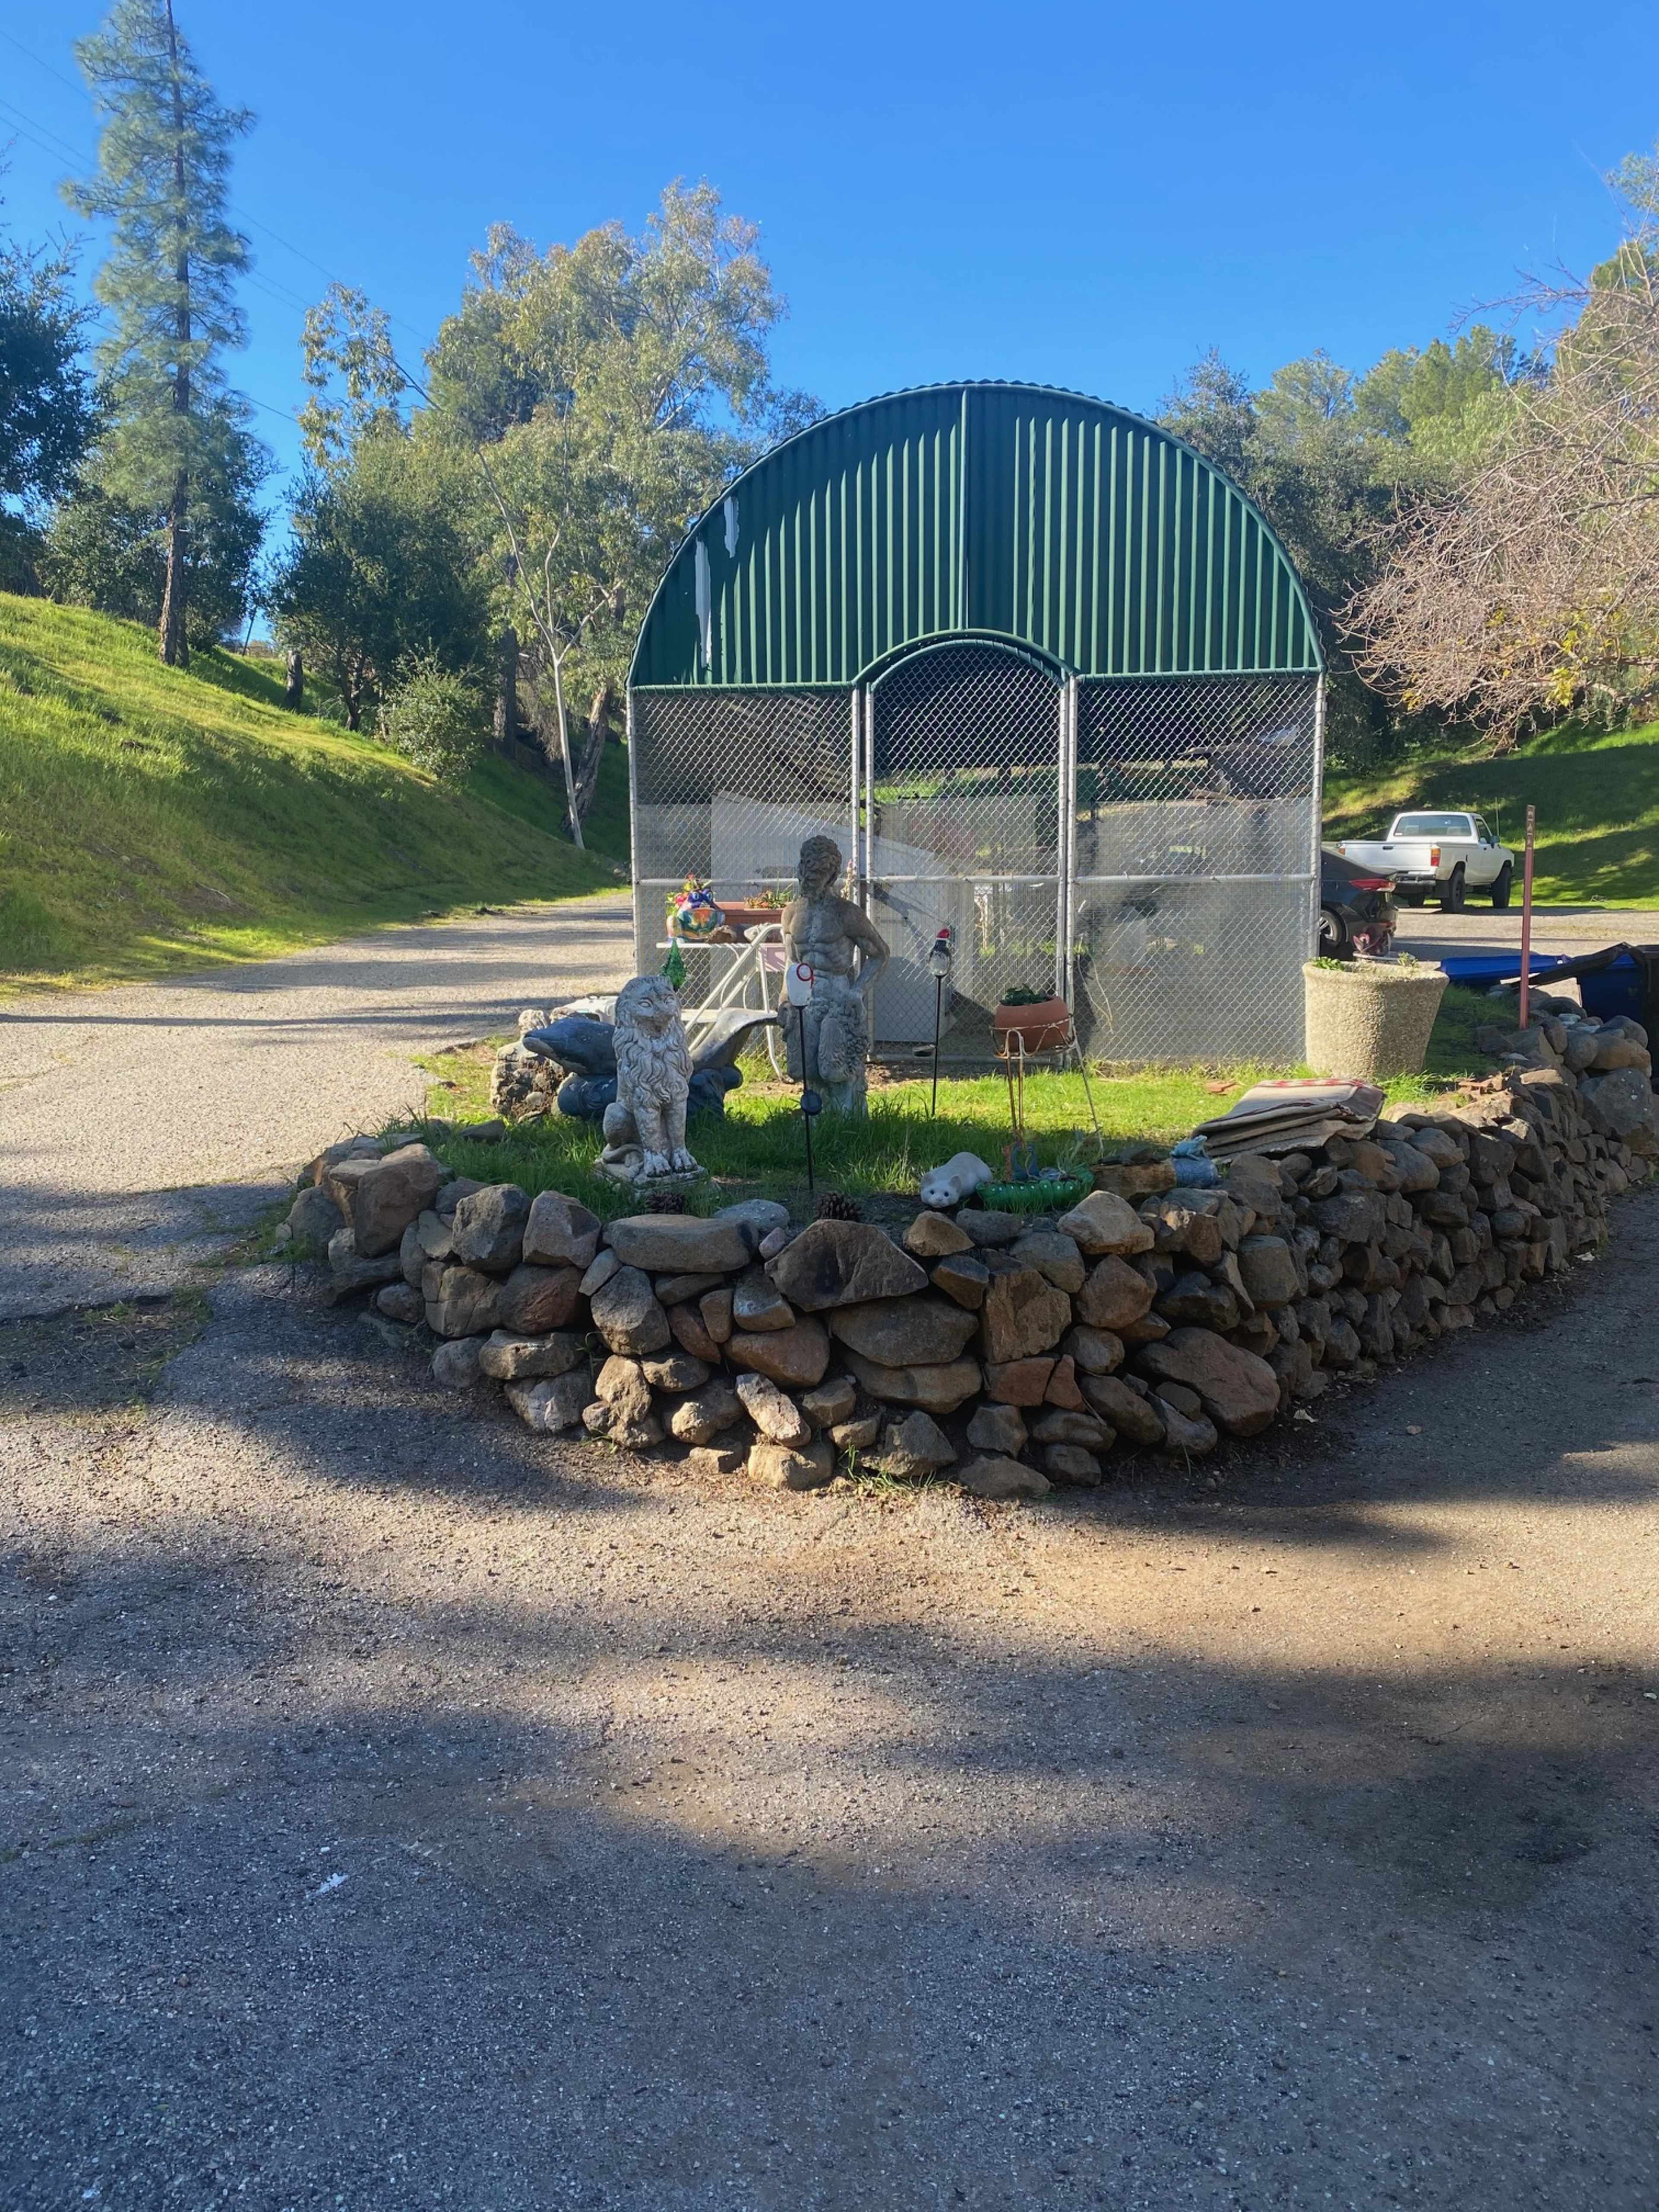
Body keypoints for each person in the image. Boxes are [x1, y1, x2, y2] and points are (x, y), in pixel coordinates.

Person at [780, 835, 889, 1115]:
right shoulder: (792, 914)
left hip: (837, 996)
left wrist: (857, 992)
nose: (810, 878)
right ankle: (817, 1120)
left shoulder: (846, 914)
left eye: (818, 873)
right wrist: (784, 1001)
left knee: (834, 1067)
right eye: (807, 870)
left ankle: (847, 1119)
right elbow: (792, 964)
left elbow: (880, 954)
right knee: (802, 1067)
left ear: (832, 875)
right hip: (804, 997)